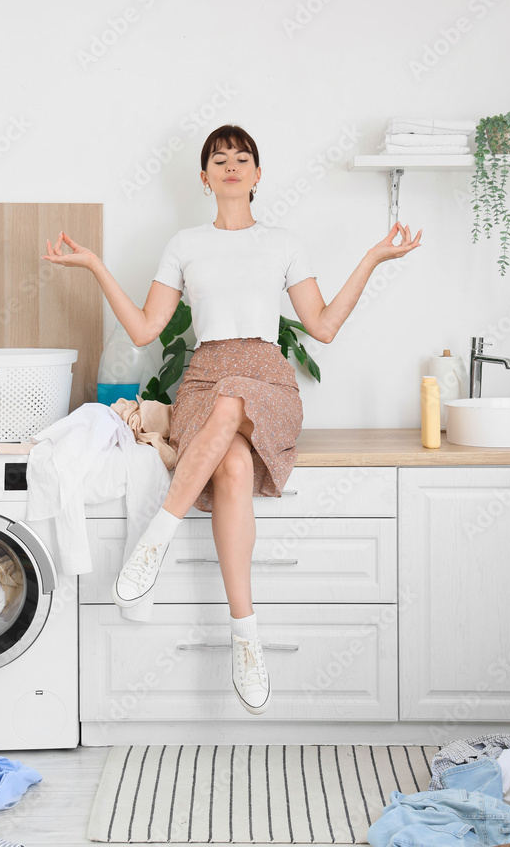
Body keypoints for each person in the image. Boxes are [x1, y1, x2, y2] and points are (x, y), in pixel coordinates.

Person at [40, 123, 423, 716]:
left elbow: (320, 325)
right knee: (234, 469)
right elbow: (145, 328)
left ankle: (155, 538)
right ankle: (247, 637)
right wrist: (93, 264)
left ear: (258, 174)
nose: (231, 165)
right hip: (204, 378)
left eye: (242, 157)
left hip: (266, 381)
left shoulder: (283, 242)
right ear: (204, 177)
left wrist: (373, 256)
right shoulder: (185, 244)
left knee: (235, 400)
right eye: (220, 159)